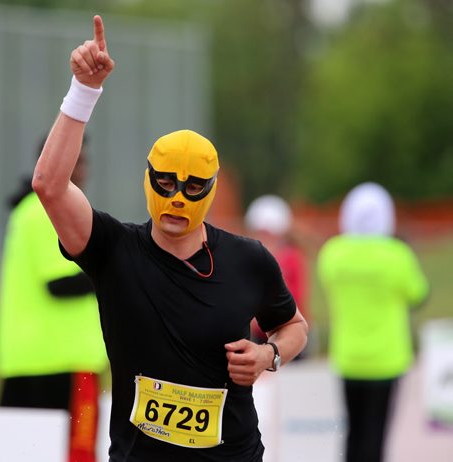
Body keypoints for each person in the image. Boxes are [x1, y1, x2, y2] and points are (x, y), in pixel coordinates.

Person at [32, 15, 308, 462]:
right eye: (165, 183)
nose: (177, 199)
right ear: (148, 180)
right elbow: (49, 185)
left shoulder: (248, 259)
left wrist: (268, 355)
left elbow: (294, 326)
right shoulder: (112, 249)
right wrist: (84, 90)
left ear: (212, 188)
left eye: (194, 186)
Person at [0, 134, 108, 462]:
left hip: (25, 358)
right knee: (78, 454)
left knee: (20, 454)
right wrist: (114, 269)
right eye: (77, 162)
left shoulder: (27, 210)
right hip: (66, 358)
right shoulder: (49, 211)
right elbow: (60, 283)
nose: (84, 172)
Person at [317, 182, 429, 462]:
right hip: (388, 359)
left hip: (349, 357)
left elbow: (327, 281)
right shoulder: (398, 255)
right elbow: (419, 295)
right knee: (376, 437)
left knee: (353, 432)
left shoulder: (333, 253)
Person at [244, 195, 311, 352]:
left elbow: (296, 296)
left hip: (287, 332)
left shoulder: (291, 257)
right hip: (259, 335)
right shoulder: (250, 257)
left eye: (267, 233)